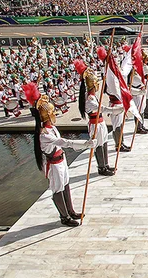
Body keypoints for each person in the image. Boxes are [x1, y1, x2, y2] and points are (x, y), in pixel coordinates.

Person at [24, 82, 92, 227]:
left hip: (61, 161)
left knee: (66, 185)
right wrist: (85, 144)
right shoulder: (44, 135)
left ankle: (71, 211)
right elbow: (64, 142)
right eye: (52, 112)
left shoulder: (52, 128)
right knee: (58, 189)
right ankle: (64, 216)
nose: (54, 114)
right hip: (54, 164)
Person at [76, 59, 120, 176]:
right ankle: (101, 167)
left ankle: (106, 164)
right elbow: (102, 108)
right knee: (99, 145)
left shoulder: (92, 96)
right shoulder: (89, 99)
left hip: (100, 122)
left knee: (104, 142)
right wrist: (116, 110)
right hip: (95, 123)